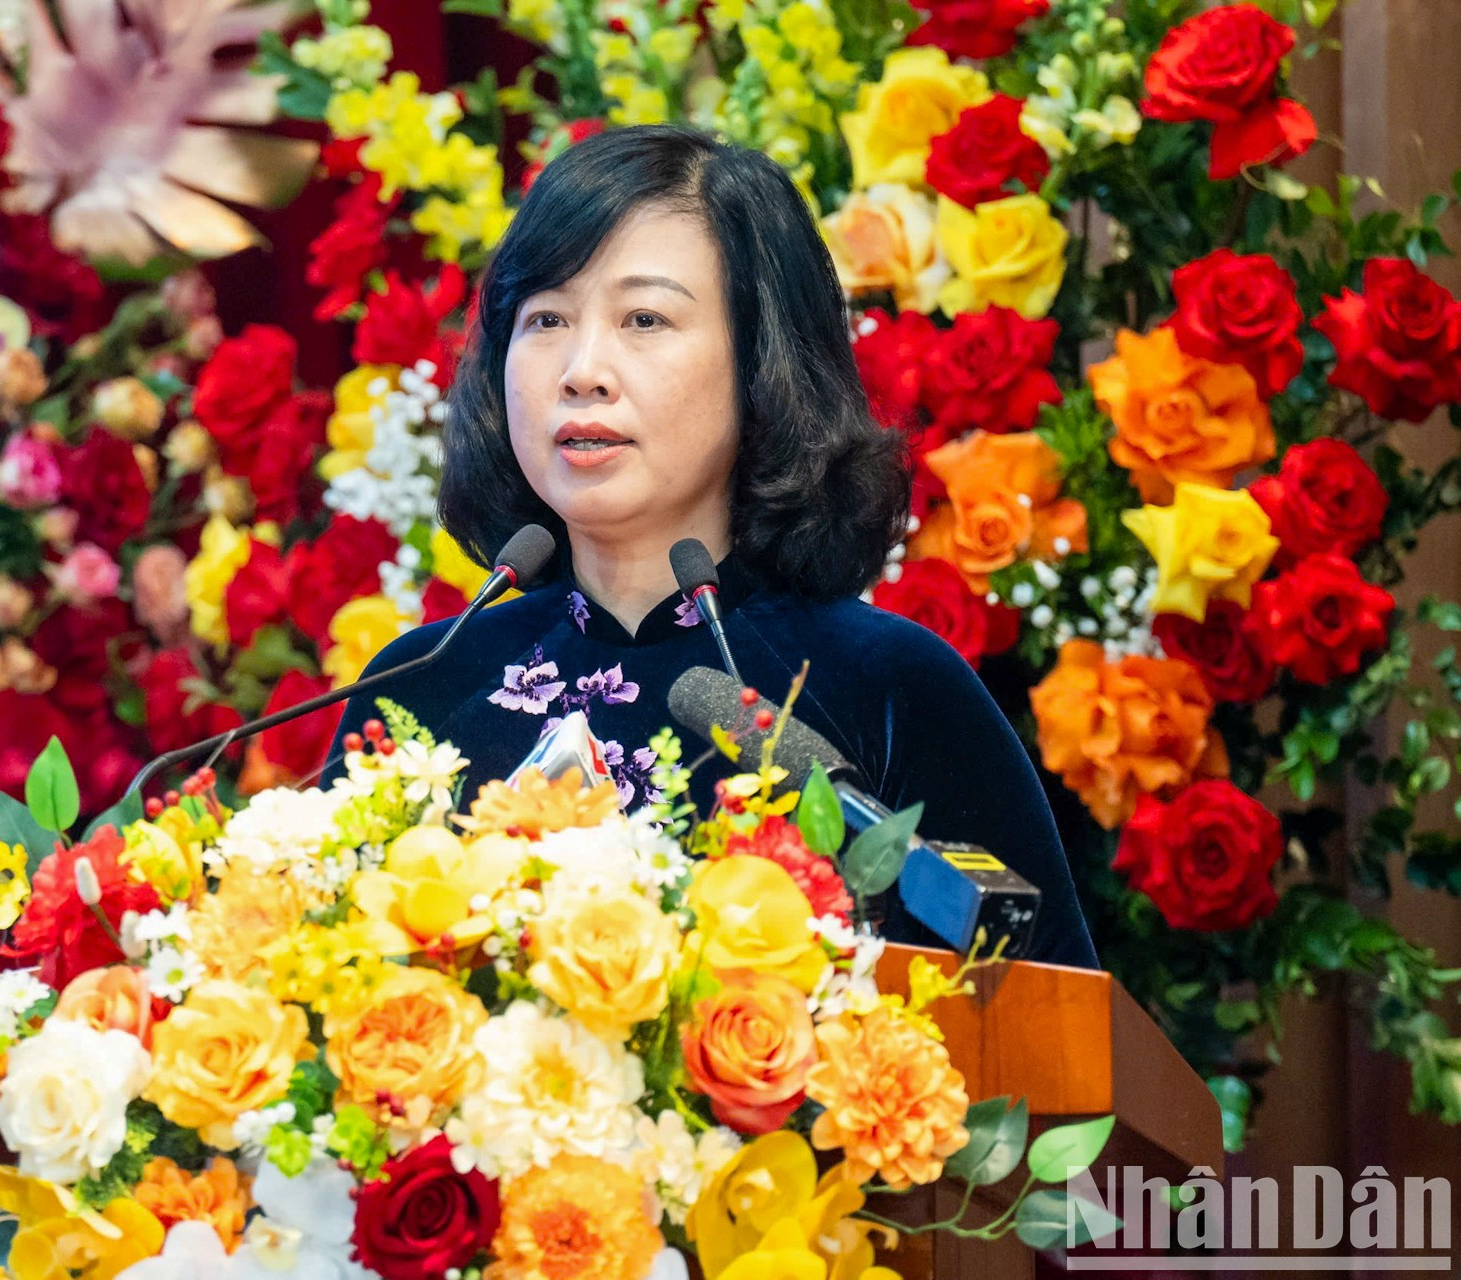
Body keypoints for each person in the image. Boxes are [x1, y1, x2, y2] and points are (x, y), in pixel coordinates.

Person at [322, 124, 1097, 969]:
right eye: (545, 318)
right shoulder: (425, 688)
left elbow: (1054, 1035)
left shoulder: (885, 687)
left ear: (762, 361)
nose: (582, 369)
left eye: (644, 318)